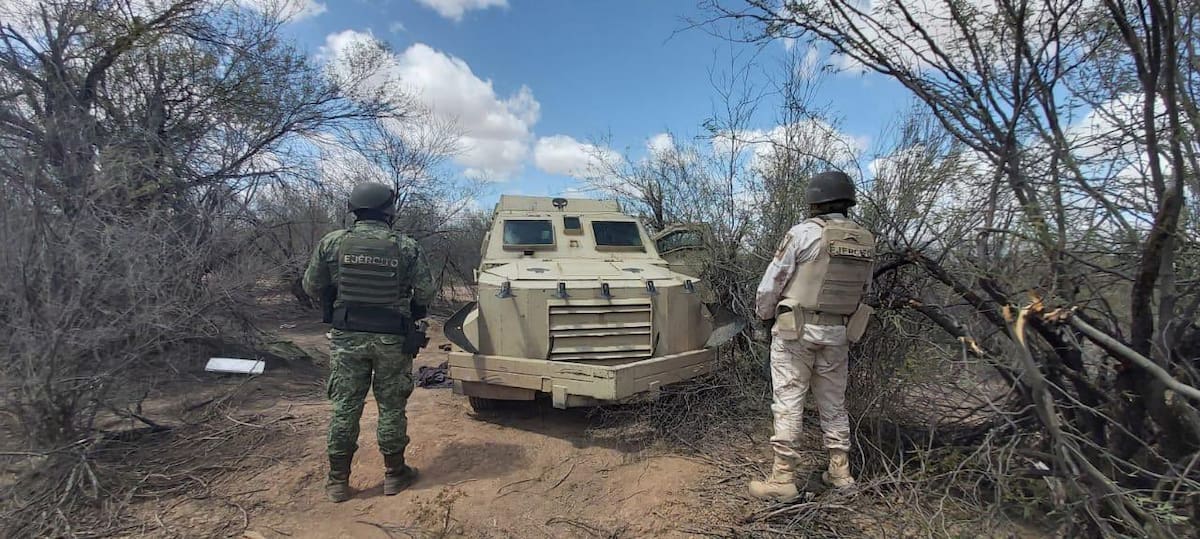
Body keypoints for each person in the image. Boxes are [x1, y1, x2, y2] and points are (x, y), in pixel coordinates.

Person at [302, 182, 436, 503]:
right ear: (389, 211)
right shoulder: (406, 246)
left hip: (347, 337)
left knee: (345, 407)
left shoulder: (333, 243)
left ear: (354, 208)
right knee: (391, 405)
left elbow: (311, 285)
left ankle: (337, 482)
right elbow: (426, 293)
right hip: (392, 338)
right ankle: (394, 474)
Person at [748, 171, 876, 501]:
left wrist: (764, 316)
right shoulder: (865, 239)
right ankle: (840, 474)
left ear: (815, 202)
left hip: (797, 332)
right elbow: (865, 290)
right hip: (838, 332)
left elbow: (769, 286)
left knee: (789, 401)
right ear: (847, 202)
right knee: (834, 404)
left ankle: (783, 479)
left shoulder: (802, 233)